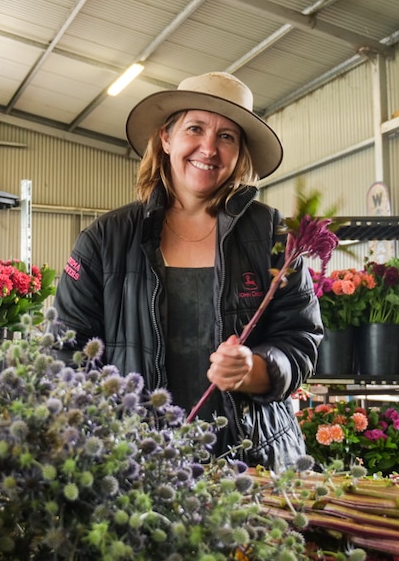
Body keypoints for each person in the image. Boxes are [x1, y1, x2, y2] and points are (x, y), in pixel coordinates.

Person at [54, 71, 322, 472]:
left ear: (239, 152)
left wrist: (255, 369)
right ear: (166, 138)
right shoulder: (105, 241)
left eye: (226, 136)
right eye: (195, 129)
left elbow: (302, 340)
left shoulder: (272, 235)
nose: (209, 148)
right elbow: (65, 351)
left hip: (253, 464)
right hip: (139, 466)